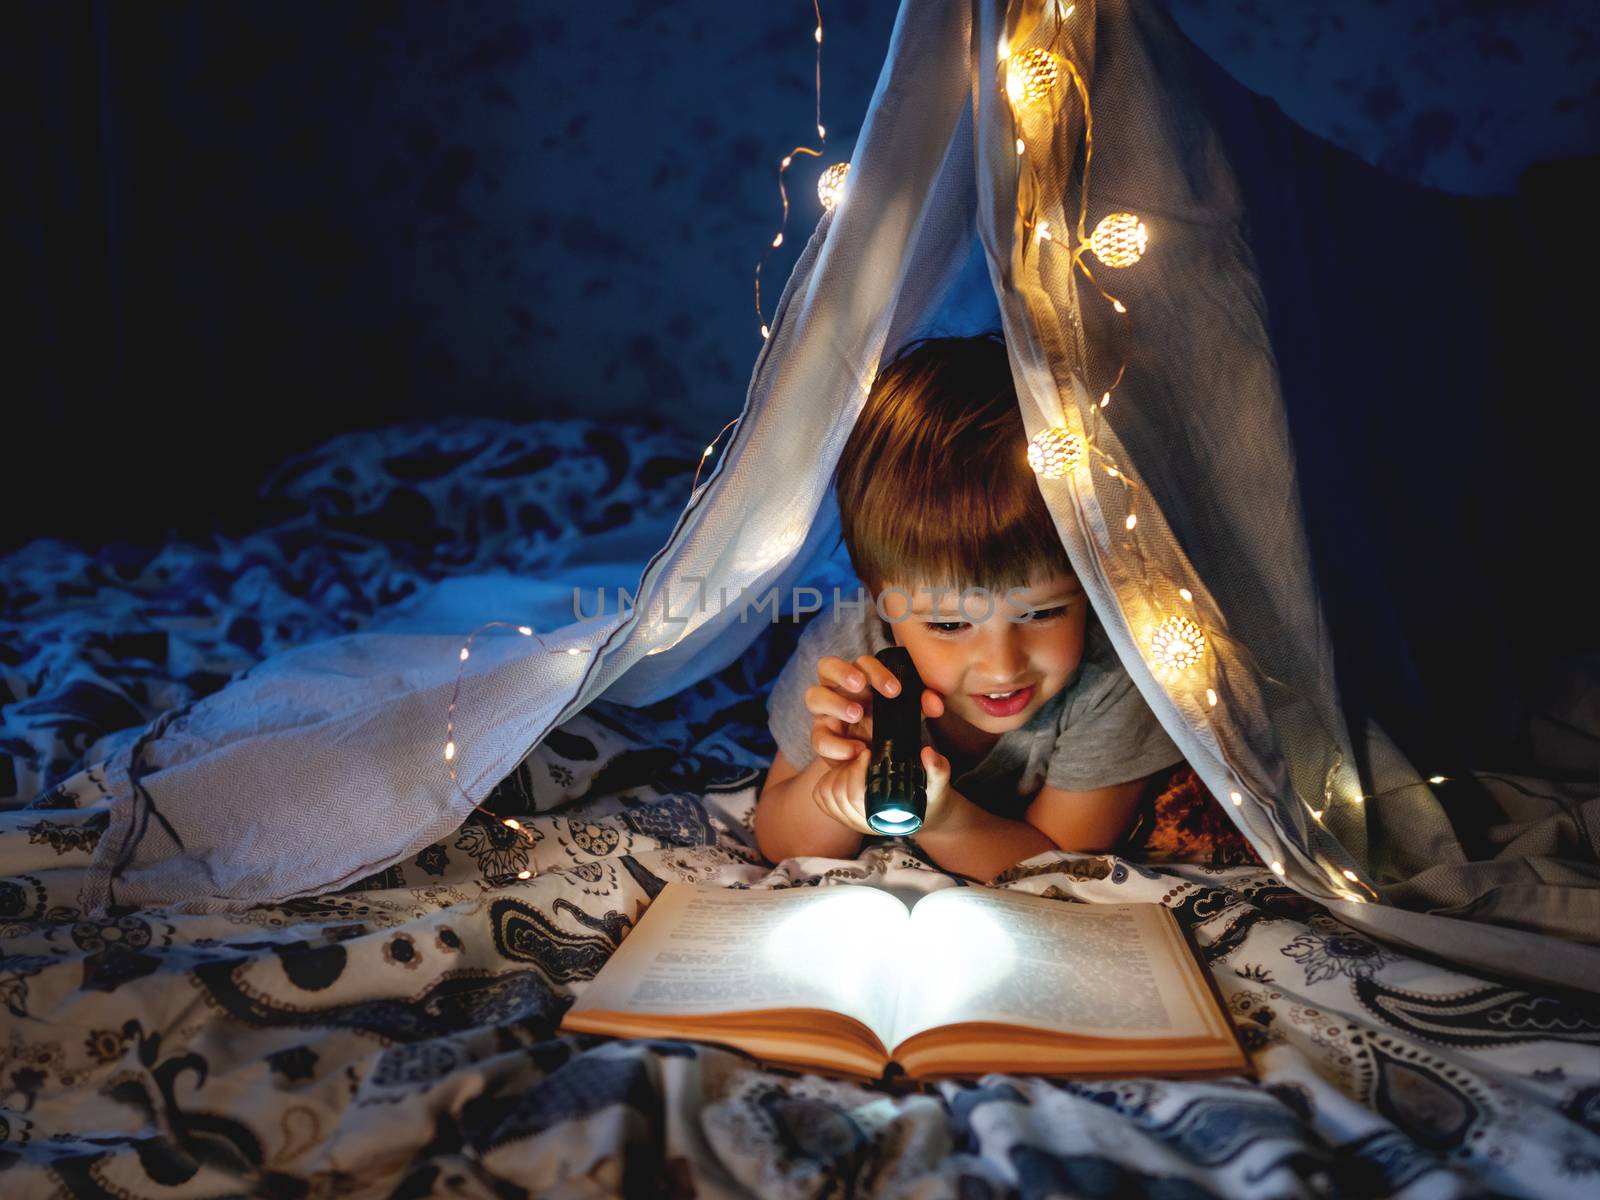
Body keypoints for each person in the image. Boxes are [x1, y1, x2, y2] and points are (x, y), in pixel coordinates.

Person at [754, 333, 1184, 883]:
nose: (1003, 665)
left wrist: (943, 822)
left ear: (1093, 584)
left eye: (1043, 613)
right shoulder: (851, 657)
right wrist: (835, 783)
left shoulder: (1113, 673)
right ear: (880, 600)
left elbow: (1065, 867)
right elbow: (775, 840)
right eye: (950, 624)